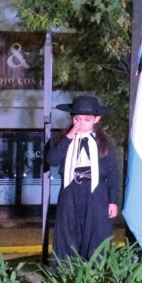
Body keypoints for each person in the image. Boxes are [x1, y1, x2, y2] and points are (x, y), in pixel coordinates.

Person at [47, 95, 119, 265]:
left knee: (96, 233)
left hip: (96, 193)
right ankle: (66, 272)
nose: (81, 123)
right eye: (77, 119)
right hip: (70, 191)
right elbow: (52, 160)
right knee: (68, 232)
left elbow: (113, 174)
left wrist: (113, 201)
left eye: (87, 119)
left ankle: (95, 273)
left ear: (96, 119)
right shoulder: (62, 139)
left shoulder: (104, 142)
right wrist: (68, 137)